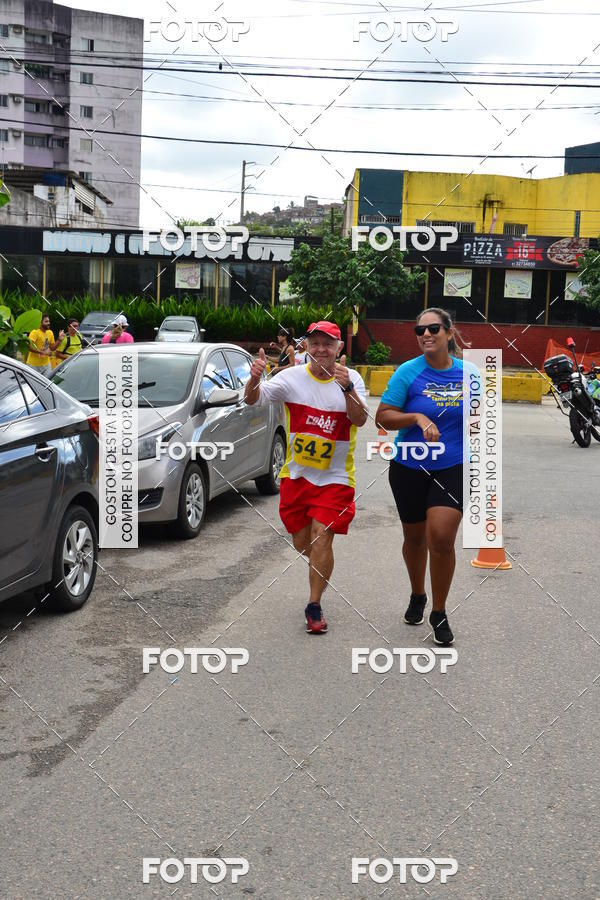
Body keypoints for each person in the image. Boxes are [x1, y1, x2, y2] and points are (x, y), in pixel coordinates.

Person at [244, 321, 368, 634]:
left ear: (339, 348)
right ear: (306, 347)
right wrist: (254, 380)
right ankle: (320, 566)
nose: (321, 350)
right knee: (303, 542)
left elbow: (360, 419)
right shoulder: (291, 378)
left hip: (336, 478)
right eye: (315, 344)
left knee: (321, 535)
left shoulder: (350, 379)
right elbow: (253, 400)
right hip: (296, 477)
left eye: (328, 344)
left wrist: (348, 390)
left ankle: (314, 604)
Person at [375, 308, 473, 646]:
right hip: (409, 466)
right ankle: (418, 595)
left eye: (433, 328)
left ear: (449, 333)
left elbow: (486, 421)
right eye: (420, 330)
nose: (426, 334)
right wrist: (416, 416)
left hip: (453, 465)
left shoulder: (470, 373)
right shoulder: (408, 372)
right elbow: (383, 417)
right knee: (415, 539)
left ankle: (440, 612)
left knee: (442, 537)